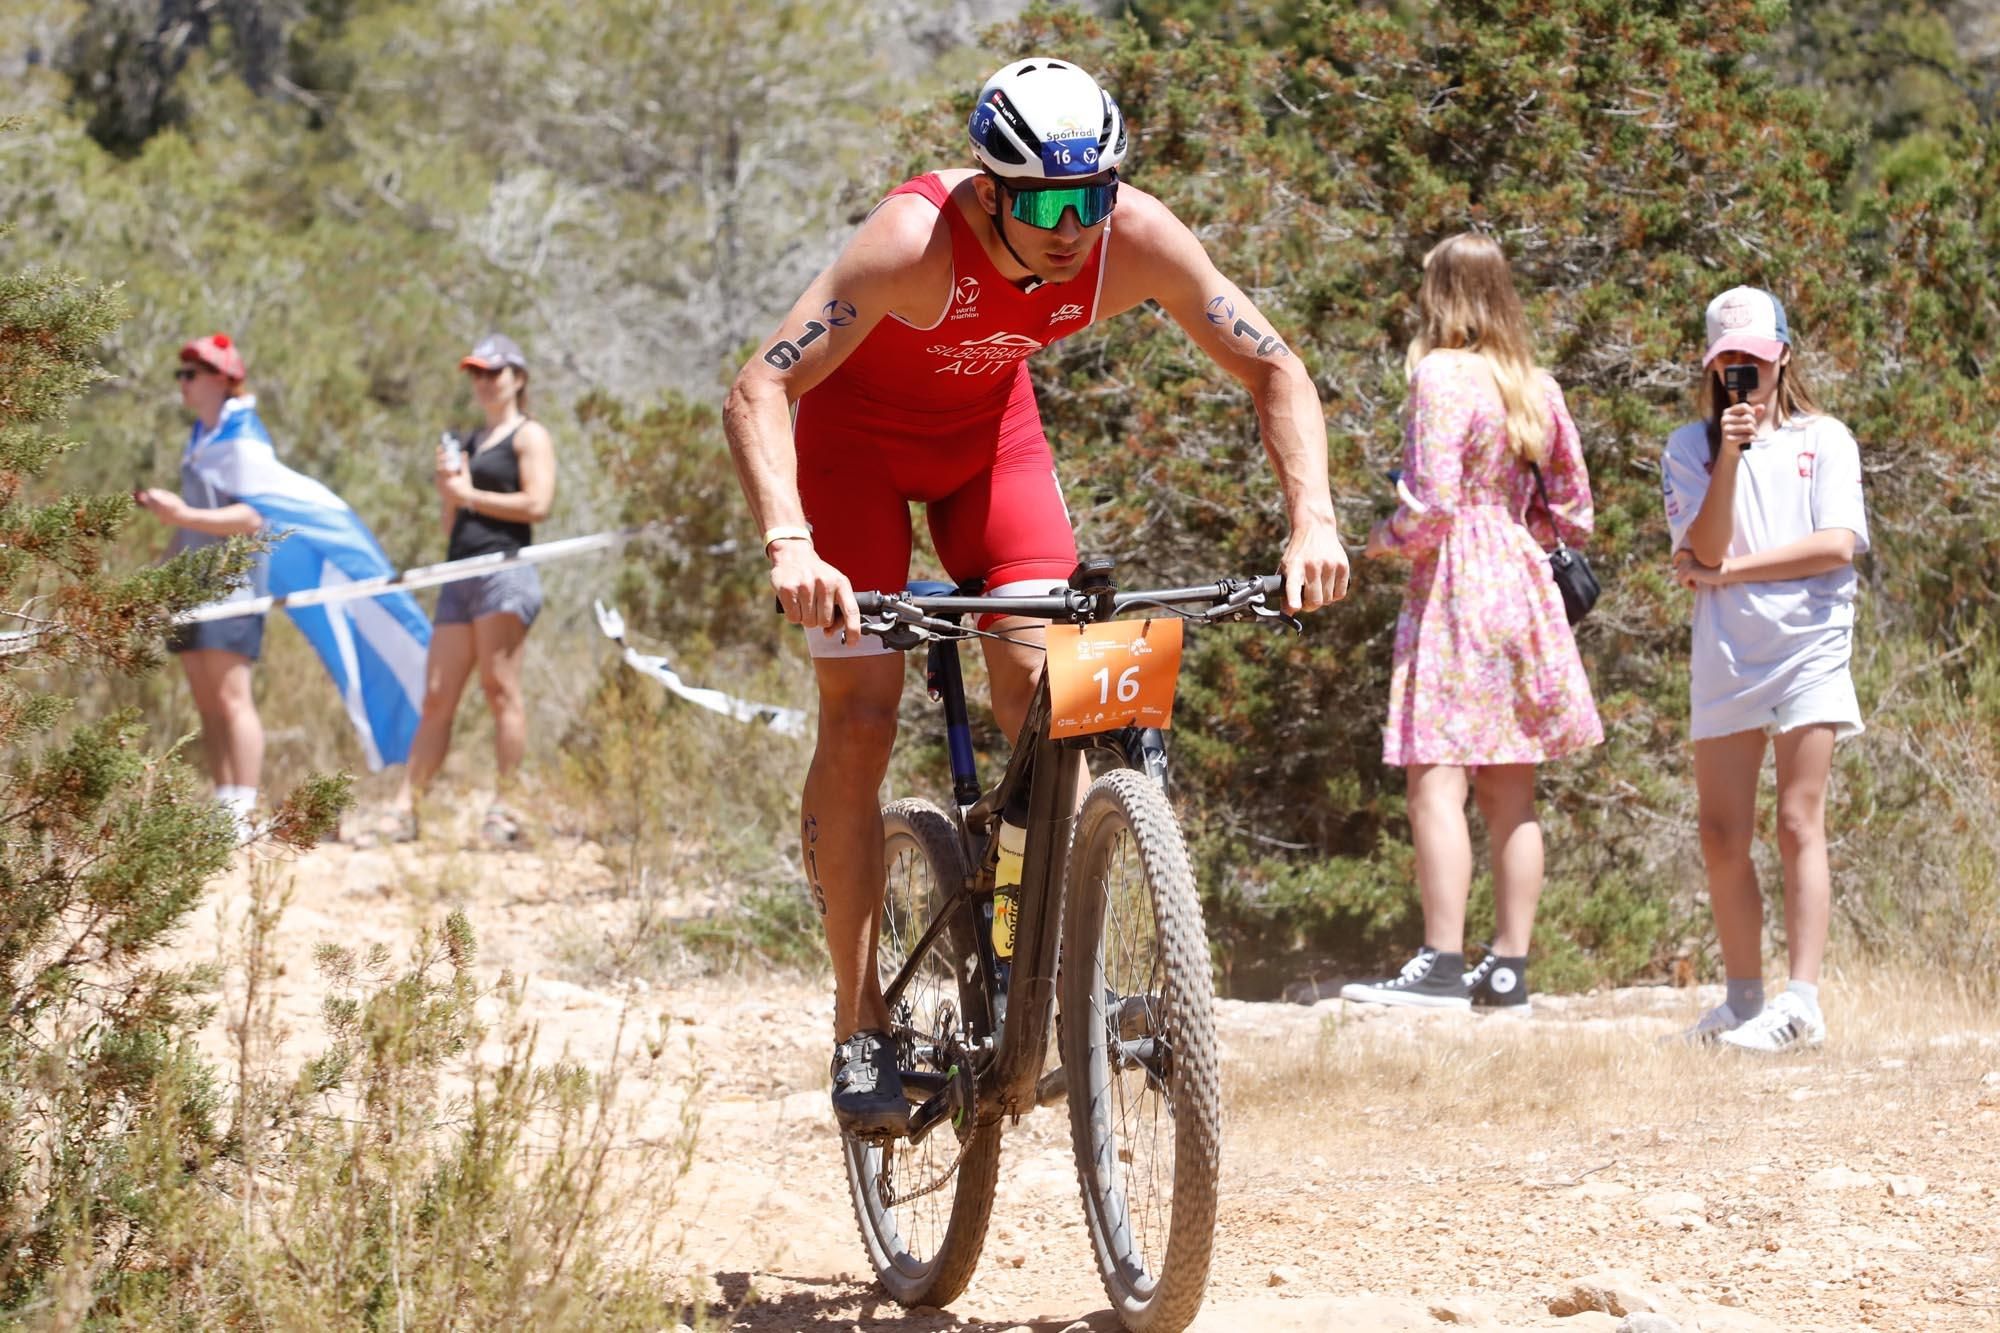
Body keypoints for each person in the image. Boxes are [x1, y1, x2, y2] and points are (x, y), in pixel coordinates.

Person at [724, 58, 1351, 1134]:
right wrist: (789, 544)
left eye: (1094, 196)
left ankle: (1038, 935)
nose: (1075, 228)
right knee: (862, 715)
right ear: (987, 190)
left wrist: (1314, 522)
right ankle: (856, 1015)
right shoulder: (910, 244)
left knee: (1045, 683)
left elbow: (1274, 367)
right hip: (850, 460)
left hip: (987, 449)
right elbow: (761, 385)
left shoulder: (1134, 238)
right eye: (1050, 203)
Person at [1341, 234, 1603, 1014]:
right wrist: (1518, 528)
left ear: (1443, 293)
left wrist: (1382, 539)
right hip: (1523, 584)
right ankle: (1508, 968)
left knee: (1437, 780)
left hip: (1458, 579)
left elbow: (1431, 506)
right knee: (1511, 791)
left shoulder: (1440, 374)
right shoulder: (1533, 383)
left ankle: (1443, 960)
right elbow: (1575, 512)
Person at [1664, 286, 1868, 1053]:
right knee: (1721, 833)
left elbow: (1835, 543)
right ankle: (1742, 1001)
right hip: (1727, 653)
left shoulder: (1827, 438)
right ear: (1713, 366)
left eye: (1754, 356)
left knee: (1796, 819)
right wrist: (1731, 455)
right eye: (1728, 361)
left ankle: (1802, 1000)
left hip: (1811, 643)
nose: (1742, 371)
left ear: (1783, 353)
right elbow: (1702, 549)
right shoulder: (1691, 446)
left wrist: (1732, 570)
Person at [393, 334, 555, 844]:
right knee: (438, 696)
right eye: (477, 374)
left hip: (504, 570)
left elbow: (537, 505)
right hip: (457, 571)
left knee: (498, 687)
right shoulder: (464, 443)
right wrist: (451, 493)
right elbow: (451, 522)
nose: (484, 383)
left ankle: (505, 806)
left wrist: (471, 494)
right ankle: (405, 807)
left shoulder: (529, 436)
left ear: (517, 378)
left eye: (494, 372)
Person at [136, 333, 268, 836]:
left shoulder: (245, 436)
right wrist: (162, 576)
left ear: (221, 379)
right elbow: (189, 526)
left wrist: (183, 512)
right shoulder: (200, 437)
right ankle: (224, 802)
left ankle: (245, 808)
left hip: (234, 588)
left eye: (191, 374)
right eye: (181, 375)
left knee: (234, 698)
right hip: (192, 588)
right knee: (207, 702)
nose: (183, 384)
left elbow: (252, 516)